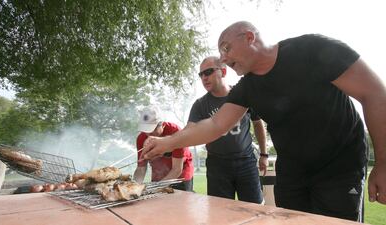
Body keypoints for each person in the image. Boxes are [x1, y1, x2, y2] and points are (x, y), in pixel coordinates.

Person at [141, 21, 386, 222]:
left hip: (339, 166)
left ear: (249, 37)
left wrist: (383, 163)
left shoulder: (312, 49)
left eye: (226, 49)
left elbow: (374, 93)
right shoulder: (246, 88)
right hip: (292, 173)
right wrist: (167, 143)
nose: (223, 59)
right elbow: (215, 125)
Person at [186, 55, 267, 203]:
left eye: (208, 72)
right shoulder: (200, 105)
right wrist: (166, 142)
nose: (204, 77)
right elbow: (189, 131)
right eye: (201, 74)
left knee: (255, 211)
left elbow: (257, 123)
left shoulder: (243, 94)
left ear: (223, 72)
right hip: (217, 166)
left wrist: (264, 154)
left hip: (246, 162)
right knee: (219, 213)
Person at [133, 106, 194, 191]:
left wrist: (156, 187)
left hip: (180, 176)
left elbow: (177, 169)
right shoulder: (141, 138)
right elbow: (141, 168)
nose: (149, 134)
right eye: (146, 130)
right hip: (158, 175)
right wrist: (134, 187)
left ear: (162, 124)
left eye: (152, 130)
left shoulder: (175, 132)